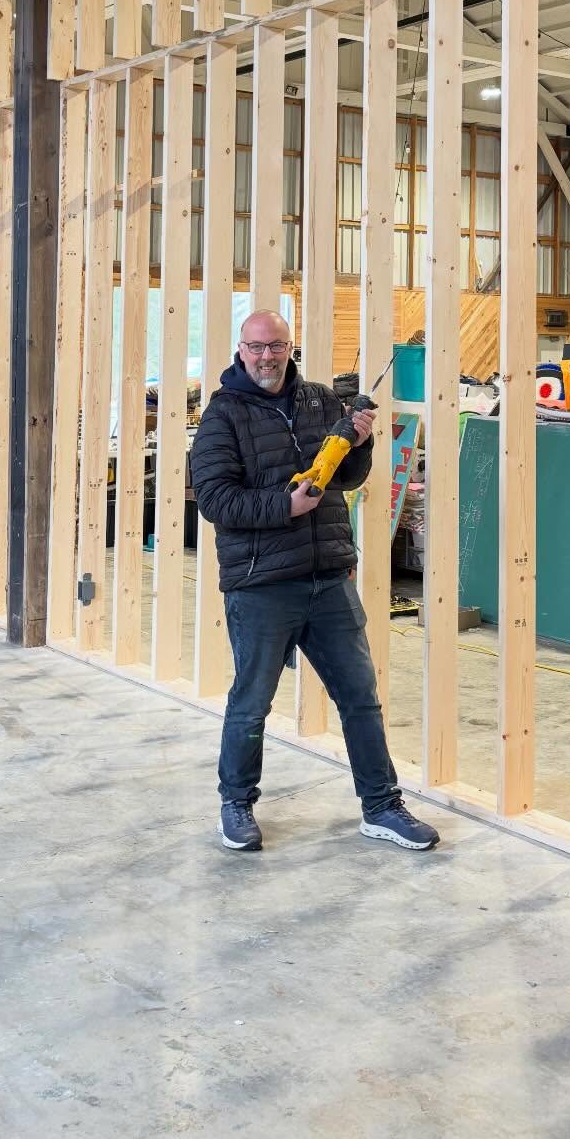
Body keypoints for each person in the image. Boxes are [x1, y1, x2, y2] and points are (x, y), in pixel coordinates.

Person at [189, 309, 440, 854]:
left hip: (328, 577)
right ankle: (236, 804)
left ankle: (381, 806)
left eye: (275, 346)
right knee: (252, 701)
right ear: (241, 350)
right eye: (256, 347)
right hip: (260, 584)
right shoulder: (223, 415)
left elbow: (346, 477)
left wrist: (361, 442)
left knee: (360, 697)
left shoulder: (321, 401)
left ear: (289, 347)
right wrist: (286, 505)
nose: (266, 357)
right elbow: (213, 500)